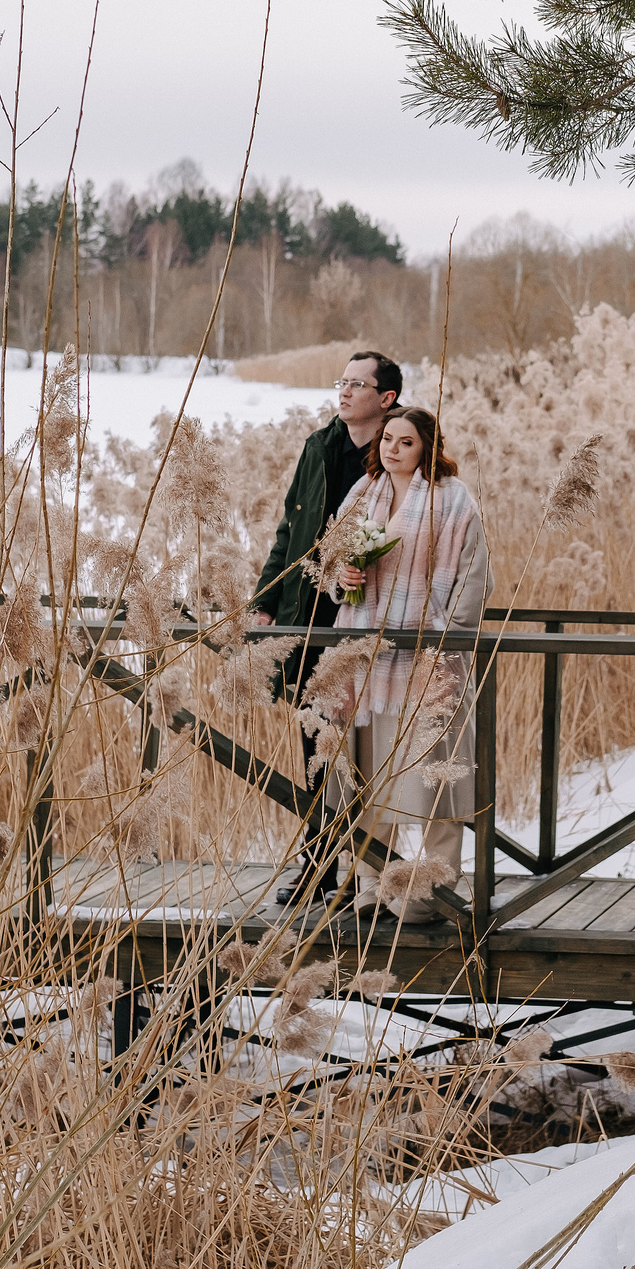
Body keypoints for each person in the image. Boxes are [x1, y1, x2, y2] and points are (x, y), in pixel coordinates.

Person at [320, 407, 493, 919]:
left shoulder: (451, 499)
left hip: (424, 657)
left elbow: (475, 576)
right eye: (388, 439)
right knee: (368, 772)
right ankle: (372, 885)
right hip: (364, 657)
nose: (393, 449)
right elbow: (328, 564)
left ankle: (440, 889)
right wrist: (341, 578)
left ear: (428, 448)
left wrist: (443, 635)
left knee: (433, 769)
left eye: (407, 442)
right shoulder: (361, 494)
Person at [249, 349, 401, 904]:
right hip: (311, 615)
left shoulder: (403, 445)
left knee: (372, 747)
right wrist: (266, 599)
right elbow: (290, 529)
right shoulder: (319, 447)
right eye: (342, 381)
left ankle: (375, 877)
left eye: (357, 384)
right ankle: (318, 868)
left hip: (373, 616)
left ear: (385, 399)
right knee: (316, 740)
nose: (344, 391)